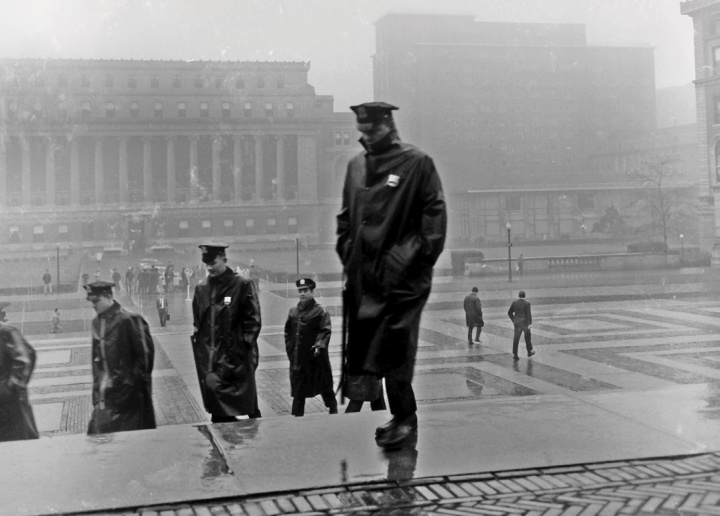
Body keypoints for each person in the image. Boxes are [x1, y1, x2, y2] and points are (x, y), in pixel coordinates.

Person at [336, 101, 447, 449]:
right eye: (363, 131)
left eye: (373, 130)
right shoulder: (356, 167)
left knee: (397, 345)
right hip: (365, 277)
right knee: (375, 349)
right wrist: (348, 254)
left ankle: (405, 418)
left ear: (389, 125)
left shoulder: (416, 163)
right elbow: (345, 218)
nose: (366, 136)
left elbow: (434, 217)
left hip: (403, 278)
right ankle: (400, 416)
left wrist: (411, 258)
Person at [192, 244, 262, 423]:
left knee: (248, 407)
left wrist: (242, 347)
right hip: (213, 361)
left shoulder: (241, 285)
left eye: (213, 262)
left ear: (224, 259)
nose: (209, 268)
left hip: (238, 359)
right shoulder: (201, 289)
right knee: (218, 409)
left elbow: (253, 321)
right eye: (206, 263)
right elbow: (199, 324)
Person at [84, 281, 156, 434]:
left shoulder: (129, 320)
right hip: (106, 398)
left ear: (109, 296)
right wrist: (97, 395)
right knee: (98, 439)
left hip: (129, 399)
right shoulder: (97, 323)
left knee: (129, 444)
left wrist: (128, 386)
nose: (94, 306)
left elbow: (145, 360)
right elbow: (96, 361)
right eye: (92, 302)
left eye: (97, 301)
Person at [284, 278, 337, 417]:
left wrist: (319, 346)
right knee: (298, 393)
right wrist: (290, 349)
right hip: (299, 360)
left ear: (312, 292)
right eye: (300, 291)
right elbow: (288, 332)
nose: (302, 294)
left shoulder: (320, 312)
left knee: (325, 386)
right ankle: (296, 418)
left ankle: (333, 410)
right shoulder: (293, 312)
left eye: (306, 291)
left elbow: (325, 330)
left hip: (316, 359)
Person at [0, 302, 39, 442]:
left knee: (16, 445)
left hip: (9, 405)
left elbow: (25, 358)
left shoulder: (6, 332)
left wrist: (8, 388)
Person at [508, 290, 535, 361]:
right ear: (524, 296)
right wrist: (530, 323)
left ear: (519, 296)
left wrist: (514, 320)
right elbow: (528, 314)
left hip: (517, 323)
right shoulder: (527, 303)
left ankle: (515, 354)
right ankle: (529, 351)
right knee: (527, 338)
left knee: (516, 339)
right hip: (525, 323)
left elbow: (509, 312)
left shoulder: (514, 303)